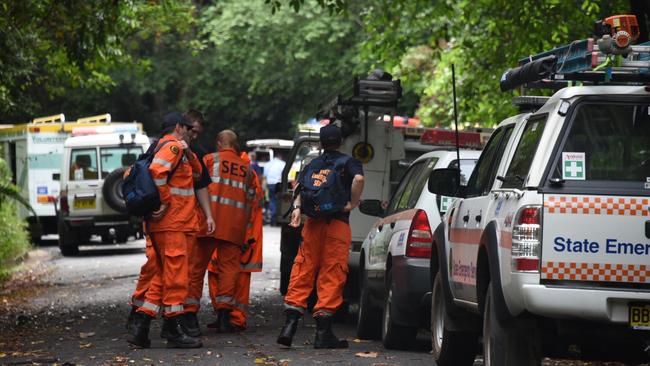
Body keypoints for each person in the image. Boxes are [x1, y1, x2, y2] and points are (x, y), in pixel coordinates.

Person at [126, 110, 215, 338]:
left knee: (163, 276)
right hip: (173, 223)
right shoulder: (172, 147)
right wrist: (165, 202)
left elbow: (197, 175)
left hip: (174, 224)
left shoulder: (177, 150)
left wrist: (191, 155)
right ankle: (174, 328)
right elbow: (157, 172)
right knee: (176, 278)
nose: (191, 134)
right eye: (187, 129)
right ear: (179, 128)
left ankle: (142, 324)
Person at [276, 123, 364, 349]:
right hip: (337, 225)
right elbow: (358, 180)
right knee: (332, 272)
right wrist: (352, 203)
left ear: (320, 144)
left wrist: (296, 210)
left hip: (312, 225)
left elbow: (298, 188)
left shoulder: (312, 164)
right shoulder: (348, 162)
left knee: (303, 269)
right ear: (341, 141)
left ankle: (289, 326)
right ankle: (323, 333)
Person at [202, 130, 256, 332]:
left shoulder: (208, 160)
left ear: (218, 144)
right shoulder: (247, 169)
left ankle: (186, 315)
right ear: (236, 145)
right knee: (229, 271)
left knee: (197, 269)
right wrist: (244, 229)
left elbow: (196, 190)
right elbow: (250, 202)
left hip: (208, 223)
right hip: (234, 227)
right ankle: (225, 317)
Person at [263, 150, 285, 226]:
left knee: (272, 201)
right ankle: (276, 219)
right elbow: (285, 175)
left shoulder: (268, 164)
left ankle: (272, 220)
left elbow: (265, 176)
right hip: (278, 184)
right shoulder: (282, 164)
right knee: (278, 202)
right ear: (280, 157)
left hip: (269, 184)